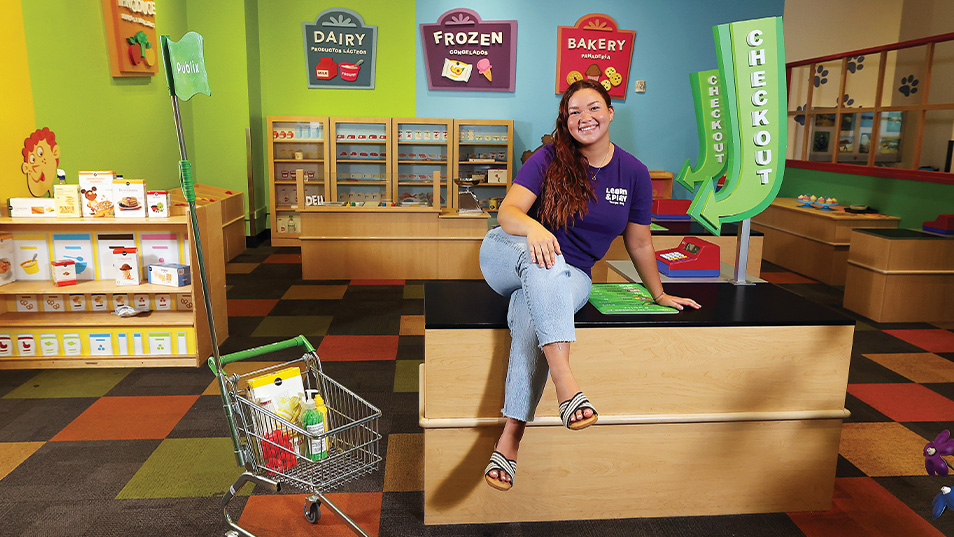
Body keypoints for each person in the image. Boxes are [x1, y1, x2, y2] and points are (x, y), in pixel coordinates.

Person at [478, 79, 701, 492]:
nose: (585, 118)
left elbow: (639, 240)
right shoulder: (549, 158)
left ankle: (511, 435)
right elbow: (508, 212)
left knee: (531, 308)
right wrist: (536, 231)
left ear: (611, 112)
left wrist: (658, 293)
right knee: (542, 258)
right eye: (574, 111)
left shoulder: (633, 172)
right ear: (566, 119)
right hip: (508, 253)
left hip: (570, 275)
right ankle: (567, 383)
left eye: (594, 108)